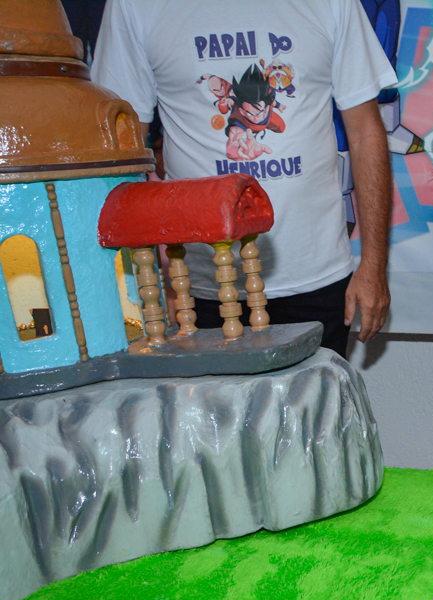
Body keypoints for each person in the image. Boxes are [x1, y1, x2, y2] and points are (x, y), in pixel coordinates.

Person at [92, 0, 398, 357]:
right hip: (198, 286)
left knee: (317, 410)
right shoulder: (134, 6)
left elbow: (365, 134)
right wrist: (158, 283)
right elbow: (121, 149)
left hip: (318, 278)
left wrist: (374, 264)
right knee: (209, 413)